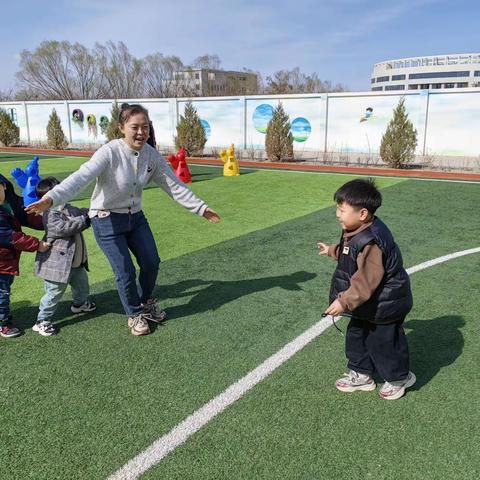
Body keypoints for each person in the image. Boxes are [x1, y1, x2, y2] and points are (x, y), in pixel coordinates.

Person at [26, 104, 220, 336]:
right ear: (121, 128)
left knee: (151, 262)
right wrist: (51, 198)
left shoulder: (151, 155)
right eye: (134, 127)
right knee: (125, 271)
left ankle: (146, 302)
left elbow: (174, 185)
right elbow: (82, 176)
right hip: (105, 220)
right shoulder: (109, 152)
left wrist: (201, 208)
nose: (140, 132)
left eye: (145, 127)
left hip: (135, 218)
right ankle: (134, 313)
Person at [317, 178, 415, 400]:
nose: (337, 214)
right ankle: (362, 374)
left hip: (385, 303)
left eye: (342, 210)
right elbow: (349, 252)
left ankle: (400, 377)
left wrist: (343, 301)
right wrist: (332, 250)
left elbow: (366, 280)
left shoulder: (372, 241)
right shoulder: (356, 229)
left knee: (384, 342)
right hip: (368, 302)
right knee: (356, 335)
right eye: (337, 208)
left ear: (362, 214)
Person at [33, 177, 96, 337]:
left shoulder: (67, 208)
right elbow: (63, 228)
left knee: (81, 285)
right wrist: (86, 219)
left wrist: (94, 210)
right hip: (57, 265)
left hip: (76, 262)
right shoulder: (48, 214)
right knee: (54, 293)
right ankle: (42, 320)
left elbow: (82, 212)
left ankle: (79, 304)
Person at [0, 174, 50, 338]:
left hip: (6, 261)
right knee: (2, 294)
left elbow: (28, 215)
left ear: (4, 186)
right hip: (2, 263)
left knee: (4, 290)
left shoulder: (9, 203)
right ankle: (3, 323)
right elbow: (12, 237)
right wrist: (37, 245)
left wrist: (48, 221)